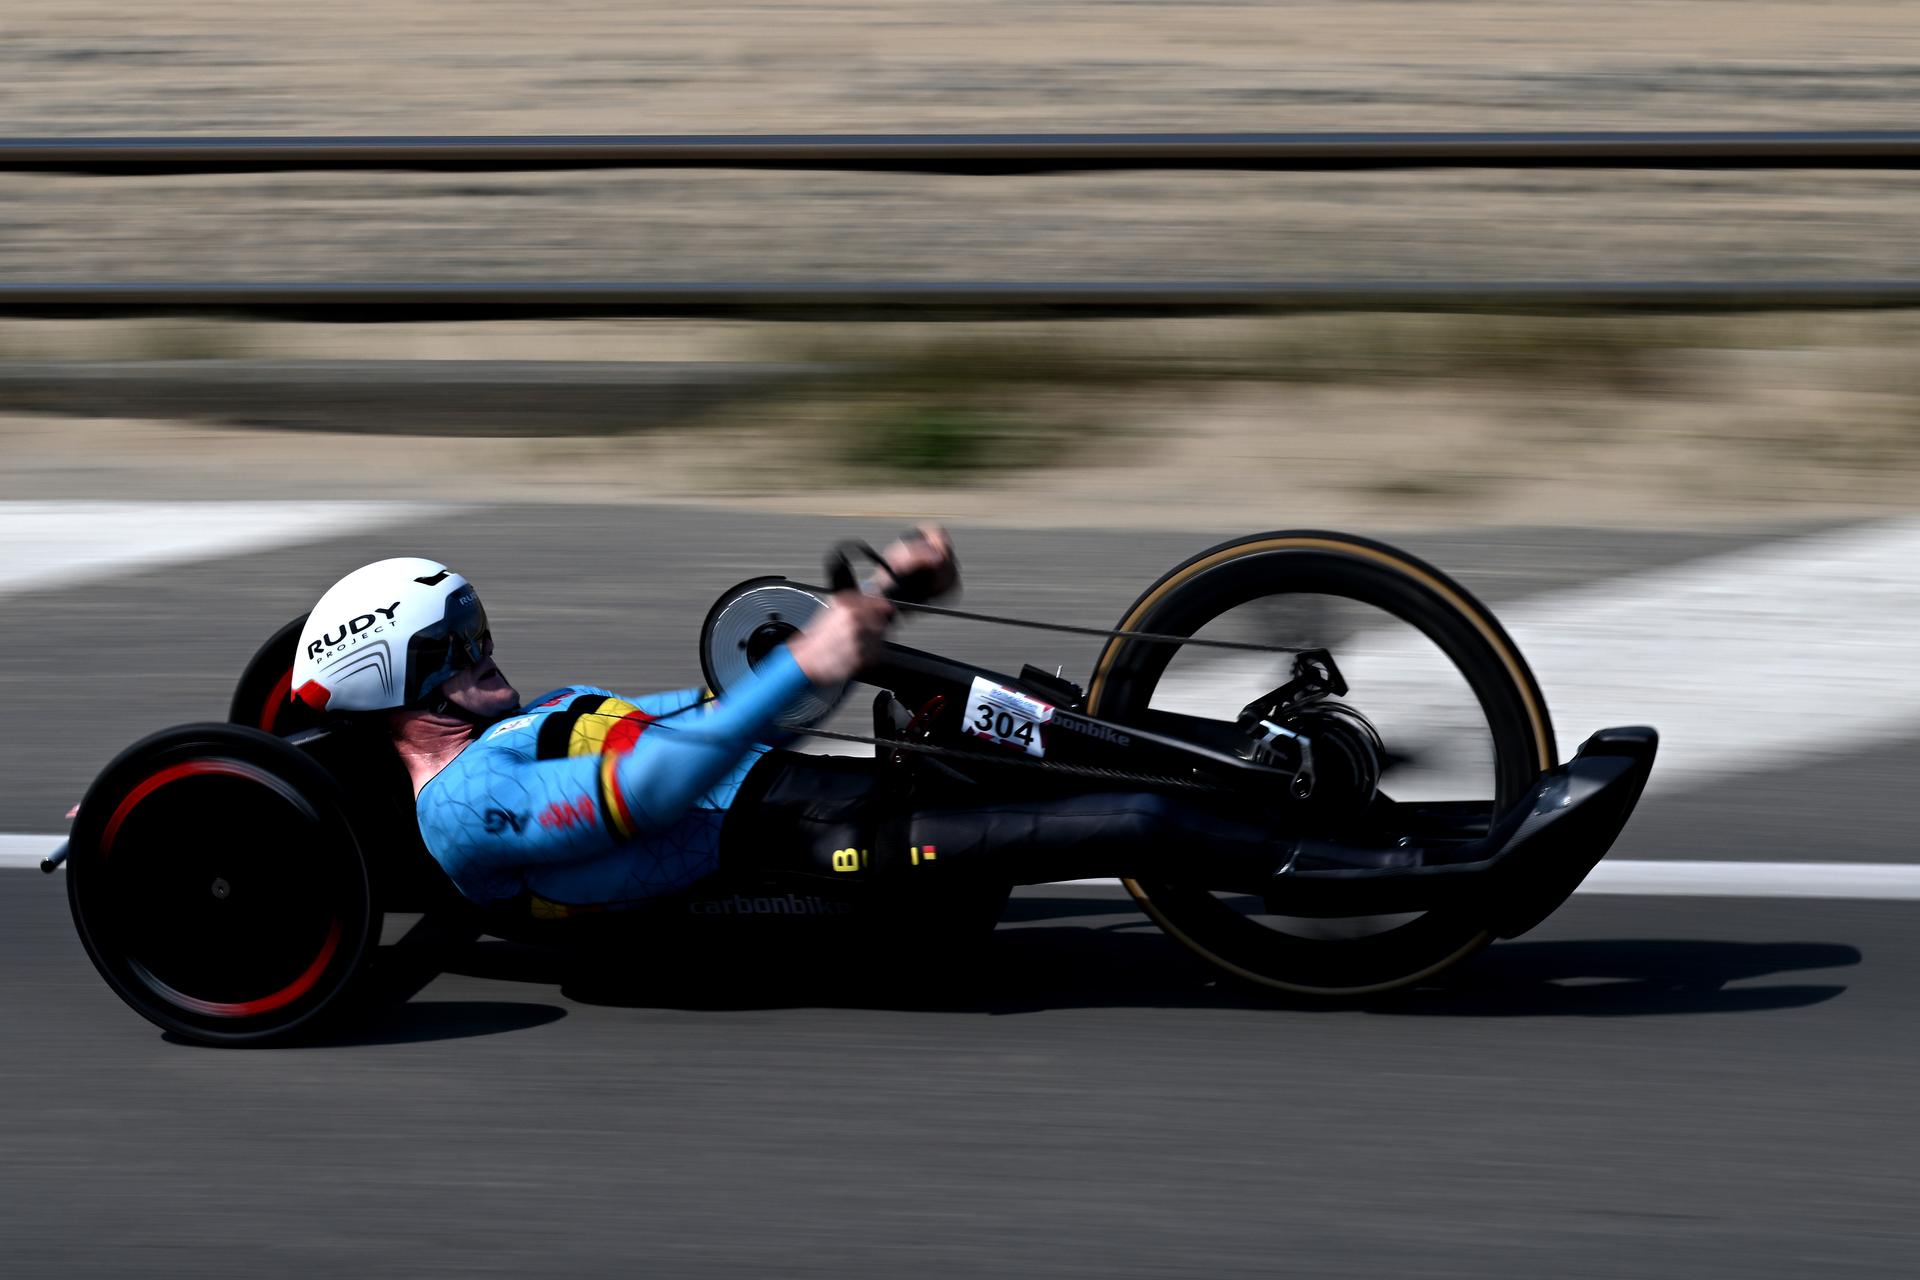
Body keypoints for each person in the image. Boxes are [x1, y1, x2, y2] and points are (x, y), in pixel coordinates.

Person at [289, 528, 1299, 917]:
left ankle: (1281, 768)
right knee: (1133, 822)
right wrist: (808, 668)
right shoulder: (461, 807)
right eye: (457, 648)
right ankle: (1387, 863)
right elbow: (649, 791)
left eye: (478, 629)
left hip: (813, 791)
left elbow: (729, 719)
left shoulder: (531, 720)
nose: (487, 652)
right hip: (810, 854)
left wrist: (881, 613)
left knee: (1038, 723)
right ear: (398, 688)